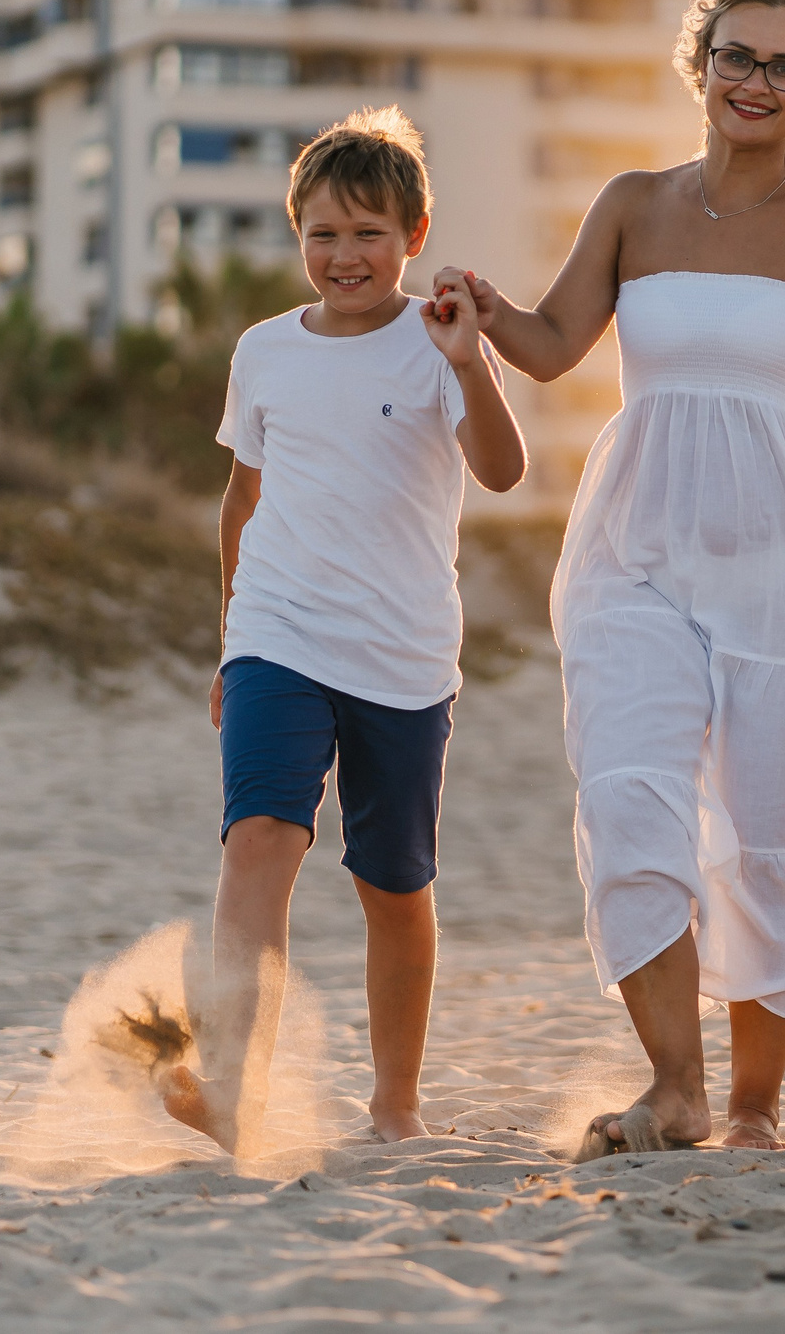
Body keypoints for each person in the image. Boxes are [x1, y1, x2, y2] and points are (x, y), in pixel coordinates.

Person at [445, 0, 785, 1157]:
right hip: (634, 544)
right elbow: (551, 343)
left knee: (772, 834)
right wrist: (485, 315)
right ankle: (675, 1086)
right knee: (626, 792)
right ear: (701, 66)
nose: (756, 82)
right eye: (737, 56)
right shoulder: (633, 204)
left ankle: (752, 1110)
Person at [159, 107, 526, 1156]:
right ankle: (233, 1087)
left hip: (403, 655)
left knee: (393, 887)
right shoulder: (264, 350)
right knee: (257, 840)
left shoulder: (440, 342)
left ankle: (395, 1103)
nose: (345, 254)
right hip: (276, 632)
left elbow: (503, 472)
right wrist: (231, 640)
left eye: (368, 232)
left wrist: (470, 362)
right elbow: (241, 500)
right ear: (298, 237)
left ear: (414, 235)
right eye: (323, 233)